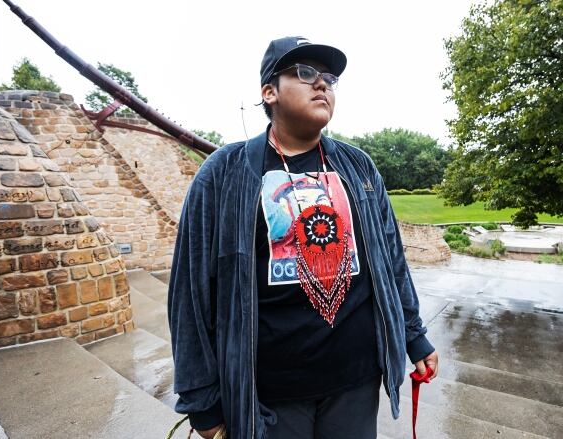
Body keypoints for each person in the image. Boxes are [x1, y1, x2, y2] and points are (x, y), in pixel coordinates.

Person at [168, 36, 439, 439]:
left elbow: (390, 260)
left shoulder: (358, 167)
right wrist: (201, 400)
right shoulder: (223, 173)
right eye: (305, 73)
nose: (322, 84)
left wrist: (414, 336)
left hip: (355, 381)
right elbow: (190, 293)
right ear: (269, 92)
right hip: (270, 394)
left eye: (329, 77)